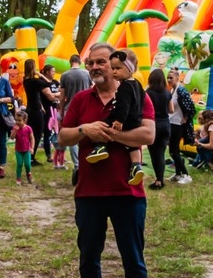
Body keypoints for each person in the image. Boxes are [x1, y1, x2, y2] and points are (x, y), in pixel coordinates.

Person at [57, 42, 156, 278]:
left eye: (101, 62)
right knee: (89, 255)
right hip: (89, 193)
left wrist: (110, 135)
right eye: (91, 63)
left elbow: (148, 134)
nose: (95, 67)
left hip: (128, 192)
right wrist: (85, 130)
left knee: (133, 256)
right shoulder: (81, 100)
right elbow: (63, 136)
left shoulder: (136, 93)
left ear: (117, 64)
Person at [87, 49, 147, 187]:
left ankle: (100, 147)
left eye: (118, 68)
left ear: (130, 69)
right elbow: (142, 99)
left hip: (123, 119)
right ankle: (136, 166)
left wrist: (119, 120)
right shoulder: (137, 84)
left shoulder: (124, 87)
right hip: (136, 120)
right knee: (132, 145)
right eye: (113, 68)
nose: (114, 72)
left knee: (102, 126)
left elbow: (124, 106)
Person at [59, 54, 92, 177]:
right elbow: (91, 90)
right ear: (80, 62)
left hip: (69, 108)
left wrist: (61, 112)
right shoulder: (87, 74)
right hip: (85, 108)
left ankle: (77, 163)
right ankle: (86, 160)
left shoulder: (65, 75)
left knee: (72, 136)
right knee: (86, 133)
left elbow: (62, 96)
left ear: (70, 62)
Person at [22, 59, 54, 165]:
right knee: (37, 134)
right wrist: (40, 74)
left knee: (30, 133)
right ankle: (31, 157)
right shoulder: (34, 81)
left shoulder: (25, 80)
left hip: (29, 109)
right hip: (36, 110)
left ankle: (28, 155)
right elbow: (49, 83)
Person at [144, 68, 173, 190]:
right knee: (161, 153)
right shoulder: (167, 93)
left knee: (154, 153)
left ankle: (157, 180)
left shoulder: (148, 93)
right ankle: (160, 179)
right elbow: (171, 110)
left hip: (153, 124)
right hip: (165, 124)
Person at [166, 68, 195, 185]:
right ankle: (178, 173)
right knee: (174, 150)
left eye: (171, 78)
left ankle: (186, 175)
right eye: (168, 78)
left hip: (178, 124)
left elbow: (190, 106)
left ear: (177, 78)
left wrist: (186, 117)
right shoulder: (172, 90)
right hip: (171, 122)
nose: (169, 80)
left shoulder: (181, 90)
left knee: (173, 150)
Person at [40, 63, 61, 163]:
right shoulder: (43, 82)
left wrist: (55, 94)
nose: (54, 73)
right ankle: (49, 155)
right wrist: (57, 95)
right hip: (47, 111)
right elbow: (50, 97)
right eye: (53, 71)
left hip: (56, 110)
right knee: (47, 133)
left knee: (58, 132)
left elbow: (62, 93)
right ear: (47, 72)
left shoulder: (55, 82)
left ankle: (60, 154)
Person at [10, 110, 35, 186]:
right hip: (18, 150)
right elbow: (12, 137)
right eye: (16, 120)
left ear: (25, 120)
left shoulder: (28, 128)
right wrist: (15, 131)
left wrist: (32, 148)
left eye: (20, 120)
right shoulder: (15, 128)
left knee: (27, 164)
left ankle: (28, 174)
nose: (17, 122)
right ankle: (18, 177)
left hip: (27, 150)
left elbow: (32, 138)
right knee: (20, 164)